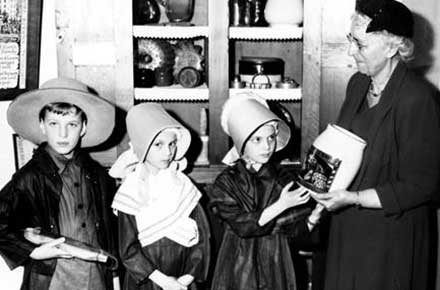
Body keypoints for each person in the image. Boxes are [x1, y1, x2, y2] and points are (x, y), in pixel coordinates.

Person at [310, 1, 440, 289]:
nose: (350, 51)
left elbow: (422, 185)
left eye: (360, 44)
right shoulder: (357, 84)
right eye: (350, 40)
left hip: (391, 236)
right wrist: (318, 199)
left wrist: (354, 198)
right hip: (348, 227)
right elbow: (341, 146)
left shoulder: (418, 99)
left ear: (392, 47)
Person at [0, 78, 118, 290]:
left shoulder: (98, 175)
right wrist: (32, 251)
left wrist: (114, 272)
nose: (63, 134)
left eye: (71, 124)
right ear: (42, 126)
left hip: (96, 278)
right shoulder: (30, 177)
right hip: (53, 279)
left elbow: (110, 227)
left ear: (83, 128)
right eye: (54, 124)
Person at [208, 93, 323, 290]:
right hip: (239, 263)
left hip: (277, 260)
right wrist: (282, 204)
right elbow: (243, 226)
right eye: (257, 140)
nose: (267, 146)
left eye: (271, 138)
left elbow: (295, 231)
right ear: (241, 142)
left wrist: (316, 214)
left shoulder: (283, 177)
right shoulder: (226, 183)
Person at [110, 103, 210, 290]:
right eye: (158, 145)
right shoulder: (131, 191)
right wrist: (164, 282)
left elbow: (202, 239)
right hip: (147, 280)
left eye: (172, 144)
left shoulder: (184, 186)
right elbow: (128, 249)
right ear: (142, 147)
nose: (168, 152)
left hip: (183, 278)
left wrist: (184, 281)